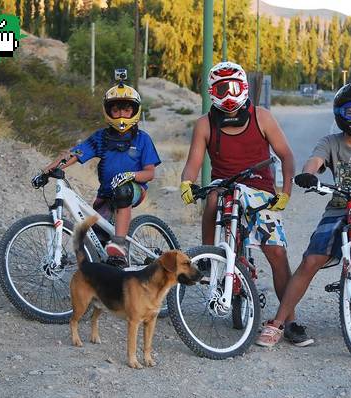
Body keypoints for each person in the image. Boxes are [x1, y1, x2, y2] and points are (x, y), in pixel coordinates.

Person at [256, 81, 351, 347]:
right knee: (310, 260)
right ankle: (278, 322)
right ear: (339, 114)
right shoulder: (331, 142)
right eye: (350, 111)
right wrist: (309, 174)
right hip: (338, 206)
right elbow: (315, 160)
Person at [179, 61, 304, 342]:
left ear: (244, 87)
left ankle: (290, 320)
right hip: (224, 186)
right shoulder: (205, 124)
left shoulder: (262, 117)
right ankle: (211, 257)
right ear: (212, 91)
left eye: (234, 87)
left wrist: (286, 192)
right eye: (222, 88)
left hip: (260, 191)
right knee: (212, 198)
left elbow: (286, 155)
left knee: (276, 254)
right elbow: (194, 163)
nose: (229, 94)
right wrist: (187, 182)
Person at [42, 75, 160, 268]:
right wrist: (48, 169)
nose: (121, 113)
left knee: (123, 192)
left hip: (133, 190)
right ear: (108, 111)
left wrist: (130, 176)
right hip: (105, 195)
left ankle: (120, 247)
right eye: (115, 109)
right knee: (94, 242)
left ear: (135, 111)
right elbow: (75, 154)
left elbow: (150, 173)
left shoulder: (142, 139)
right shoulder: (100, 138)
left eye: (127, 108)